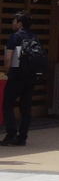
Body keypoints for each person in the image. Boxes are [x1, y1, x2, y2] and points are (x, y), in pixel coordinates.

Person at [2, 12, 36, 146]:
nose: (12, 23)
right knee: (26, 108)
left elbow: (8, 58)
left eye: (14, 21)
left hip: (16, 75)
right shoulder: (34, 37)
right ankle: (22, 137)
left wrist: (7, 71)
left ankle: (11, 134)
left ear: (20, 24)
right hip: (30, 77)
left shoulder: (15, 37)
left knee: (8, 105)